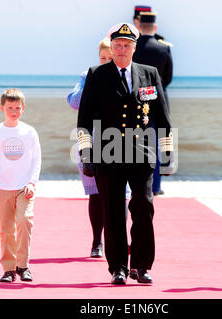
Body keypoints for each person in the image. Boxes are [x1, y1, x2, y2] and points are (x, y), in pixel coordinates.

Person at [77, 22, 175, 285]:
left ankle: (141, 266)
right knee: (113, 213)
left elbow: (162, 118)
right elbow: (84, 119)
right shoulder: (97, 74)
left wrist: (167, 154)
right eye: (117, 45)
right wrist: (86, 154)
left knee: (144, 207)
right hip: (108, 154)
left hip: (142, 153)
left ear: (134, 48)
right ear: (112, 47)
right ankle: (118, 267)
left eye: (127, 45)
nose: (121, 49)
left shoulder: (150, 74)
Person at [68, 38, 131, 258]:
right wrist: (94, 88)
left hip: (118, 142)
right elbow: (73, 101)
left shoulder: (126, 76)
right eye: (102, 58)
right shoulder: (89, 76)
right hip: (91, 141)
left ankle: (120, 240)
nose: (105, 62)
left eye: (109, 58)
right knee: (95, 193)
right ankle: (97, 242)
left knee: (122, 194)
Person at [0, 88, 42, 283]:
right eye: (10, 108)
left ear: (23, 108)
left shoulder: (29, 132)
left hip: (25, 187)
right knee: (6, 229)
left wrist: (32, 182)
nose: (14, 111)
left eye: (17, 108)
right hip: (2, 187)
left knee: (24, 221)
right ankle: (9, 269)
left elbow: (36, 160)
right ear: (2, 108)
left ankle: (23, 266)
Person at [133, 11, 173, 196]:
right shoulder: (163, 48)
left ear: (139, 27)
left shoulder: (132, 47)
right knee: (157, 141)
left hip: (135, 98)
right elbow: (168, 78)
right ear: (155, 28)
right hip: (158, 98)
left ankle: (134, 183)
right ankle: (155, 187)